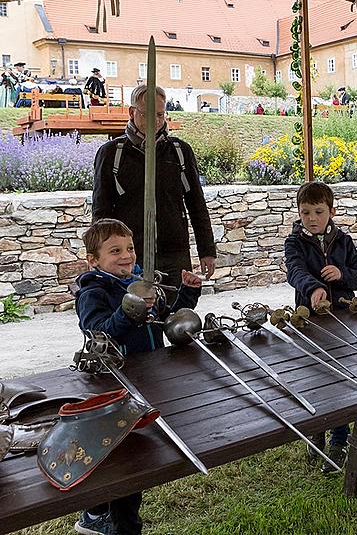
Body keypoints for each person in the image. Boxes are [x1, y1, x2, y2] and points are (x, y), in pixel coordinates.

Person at [73, 218, 202, 535]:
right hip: (115, 385)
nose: (127, 255)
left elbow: (165, 322)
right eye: (114, 250)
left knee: (132, 452)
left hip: (148, 376)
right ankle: (124, 527)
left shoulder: (142, 282)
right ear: (94, 260)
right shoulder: (93, 292)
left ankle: (94, 512)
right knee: (127, 461)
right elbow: (98, 333)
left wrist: (187, 294)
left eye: (129, 247)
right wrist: (129, 310)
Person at [92, 85, 216, 301]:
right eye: (147, 114)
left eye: (159, 114)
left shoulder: (180, 151)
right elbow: (101, 211)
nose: (155, 120)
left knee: (179, 314)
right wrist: (99, 255)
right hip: (130, 255)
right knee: (134, 315)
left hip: (174, 251)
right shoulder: (112, 153)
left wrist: (207, 250)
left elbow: (196, 204)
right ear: (132, 113)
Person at [284, 181, 357, 474]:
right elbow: (295, 271)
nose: (311, 218)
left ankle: (339, 438)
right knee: (314, 377)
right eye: (305, 211)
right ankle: (317, 429)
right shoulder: (294, 242)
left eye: (319, 211)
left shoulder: (344, 241)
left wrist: (341, 273)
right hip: (310, 321)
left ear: (332, 211)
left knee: (340, 379)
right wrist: (313, 288)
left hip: (344, 323)